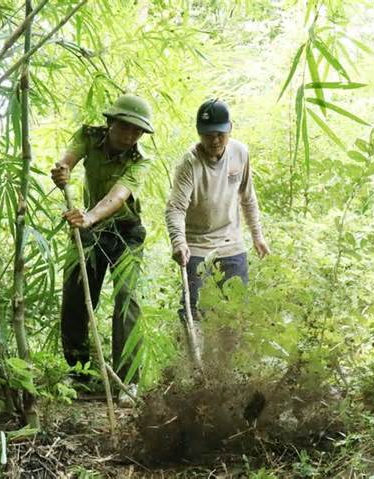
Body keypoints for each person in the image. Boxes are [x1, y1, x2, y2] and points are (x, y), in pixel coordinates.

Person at [51, 94, 153, 386]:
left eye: (137, 131)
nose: (130, 136)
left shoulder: (139, 161)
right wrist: (62, 170)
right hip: (90, 231)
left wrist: (90, 217)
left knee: (127, 299)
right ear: (110, 123)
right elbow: (68, 160)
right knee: (76, 294)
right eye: (125, 127)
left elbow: (119, 196)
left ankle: (128, 379)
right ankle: (80, 371)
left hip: (126, 232)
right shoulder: (89, 136)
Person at [165, 98, 270, 321]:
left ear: (230, 129)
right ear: (198, 132)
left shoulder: (240, 153)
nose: (214, 140)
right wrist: (178, 242)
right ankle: (193, 356)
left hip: (231, 241)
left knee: (236, 310)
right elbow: (175, 208)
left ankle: (227, 355)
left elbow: (248, 197)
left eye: (220, 134)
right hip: (197, 245)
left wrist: (257, 236)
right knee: (194, 312)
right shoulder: (189, 163)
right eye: (208, 134)